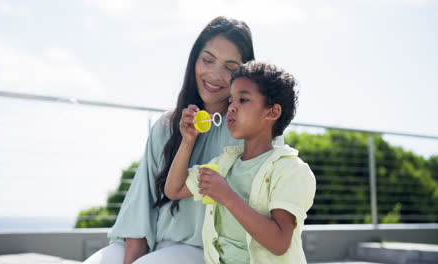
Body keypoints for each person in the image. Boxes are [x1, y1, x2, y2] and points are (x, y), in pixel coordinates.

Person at [83, 16, 255, 264]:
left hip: (208, 252)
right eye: (207, 60)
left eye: (230, 67)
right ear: (194, 61)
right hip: (155, 243)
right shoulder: (166, 125)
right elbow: (142, 200)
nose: (215, 74)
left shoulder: (254, 131)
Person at [165, 61, 316, 263]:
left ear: (272, 112)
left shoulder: (291, 170)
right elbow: (174, 190)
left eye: (243, 100)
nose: (232, 107)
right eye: (230, 101)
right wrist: (188, 140)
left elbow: (279, 243)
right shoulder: (223, 164)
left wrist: (227, 196)